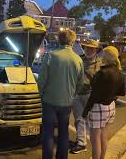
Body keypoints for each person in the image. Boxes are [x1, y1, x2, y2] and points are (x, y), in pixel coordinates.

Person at [38, 30, 84, 159]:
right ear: (73, 42)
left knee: (48, 133)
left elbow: (42, 80)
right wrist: (73, 94)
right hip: (67, 102)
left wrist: (41, 94)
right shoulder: (78, 60)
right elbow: (80, 83)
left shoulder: (51, 56)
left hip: (49, 100)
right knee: (64, 132)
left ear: (59, 40)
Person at [82, 46, 126, 159]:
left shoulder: (102, 73)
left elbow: (93, 96)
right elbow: (122, 92)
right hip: (111, 106)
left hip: (99, 107)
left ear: (106, 56)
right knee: (103, 137)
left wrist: (85, 112)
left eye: (103, 54)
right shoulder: (119, 72)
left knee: (95, 139)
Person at [70, 39, 102, 154]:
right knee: (79, 119)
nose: (89, 50)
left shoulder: (100, 63)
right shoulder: (79, 59)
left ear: (96, 50)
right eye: (87, 47)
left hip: (91, 95)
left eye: (92, 48)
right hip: (78, 94)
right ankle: (81, 143)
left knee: (92, 121)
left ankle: (96, 144)